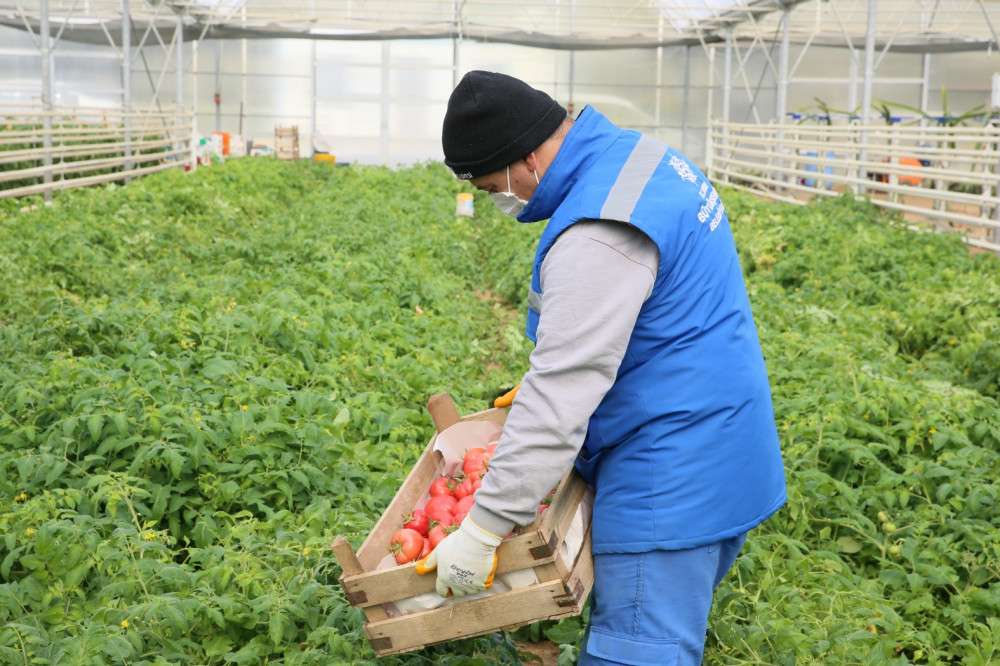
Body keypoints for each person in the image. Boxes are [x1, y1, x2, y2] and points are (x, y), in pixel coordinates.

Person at [416, 70, 787, 665]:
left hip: (669, 473)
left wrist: (484, 527)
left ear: (527, 161)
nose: (499, 200)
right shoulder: (636, 159)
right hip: (717, 435)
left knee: (635, 650)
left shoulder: (598, 231)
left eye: (493, 186)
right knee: (657, 633)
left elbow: (565, 387)